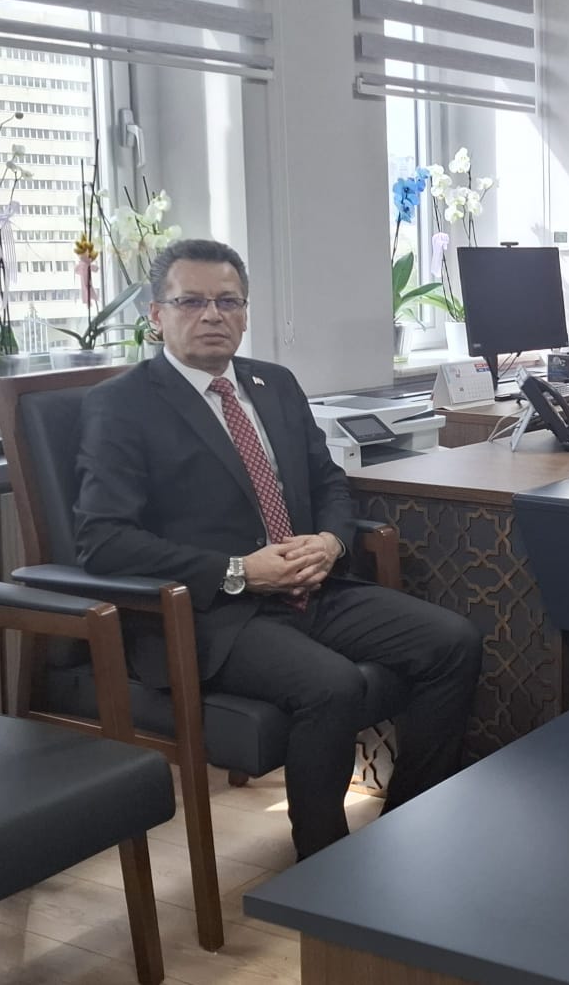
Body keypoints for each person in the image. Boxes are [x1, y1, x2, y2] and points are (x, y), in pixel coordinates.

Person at [75, 238, 483, 860]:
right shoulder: (121, 406)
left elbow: (328, 482)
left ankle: (409, 826)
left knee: (453, 642)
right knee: (332, 686)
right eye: (191, 301)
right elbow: (103, 540)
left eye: (228, 301)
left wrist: (331, 541)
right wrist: (237, 571)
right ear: (156, 314)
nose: (213, 315)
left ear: (245, 312)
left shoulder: (274, 384)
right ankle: (324, 865)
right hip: (213, 614)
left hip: (311, 587)